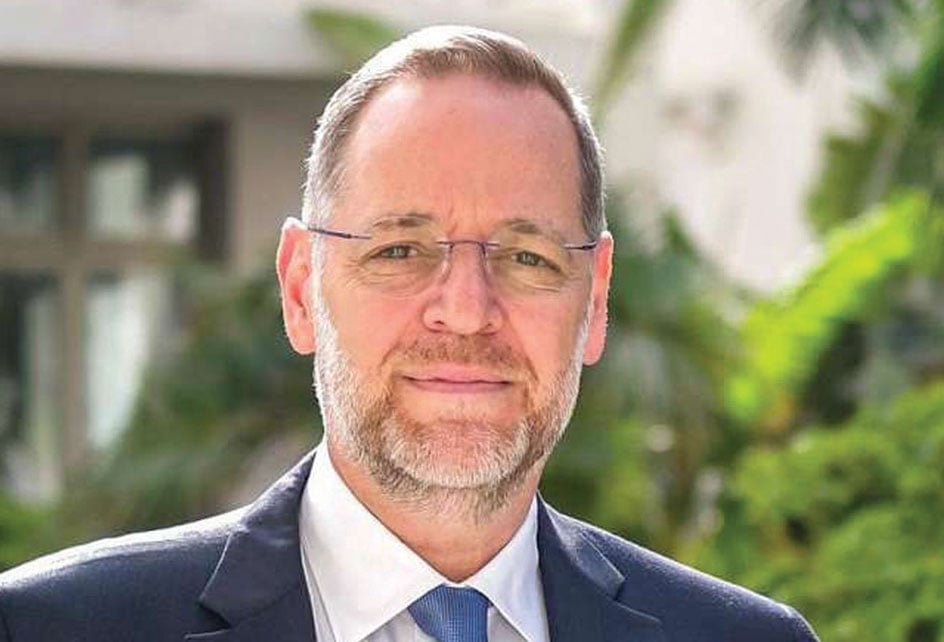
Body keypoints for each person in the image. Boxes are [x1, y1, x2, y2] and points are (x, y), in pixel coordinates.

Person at [0, 26, 818, 642]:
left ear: (595, 300)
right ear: (300, 289)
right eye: (399, 250)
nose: (465, 310)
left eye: (526, 257)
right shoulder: (53, 627)